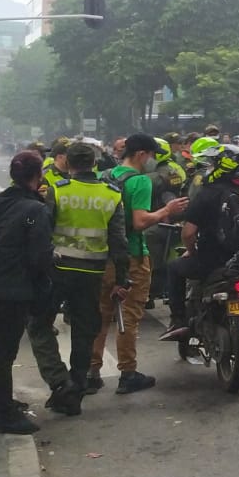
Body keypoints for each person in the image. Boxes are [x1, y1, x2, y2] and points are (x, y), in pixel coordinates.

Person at [26, 143, 129, 415]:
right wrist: (122, 279)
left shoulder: (57, 190)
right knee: (85, 331)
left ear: (68, 164)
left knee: (38, 324)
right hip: (92, 274)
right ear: (94, 163)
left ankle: (60, 381)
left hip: (58, 270)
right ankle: (78, 385)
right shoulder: (111, 194)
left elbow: (42, 232)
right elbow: (119, 241)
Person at [89, 134, 188, 394]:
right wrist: (168, 211)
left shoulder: (105, 176)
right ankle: (128, 372)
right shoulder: (140, 181)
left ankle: (91, 371)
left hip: (103, 256)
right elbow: (140, 222)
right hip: (132, 255)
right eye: (152, 155)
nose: (152, 161)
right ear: (141, 154)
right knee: (129, 317)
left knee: (101, 316)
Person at [0, 151, 53, 434]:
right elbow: (37, 255)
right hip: (7, 288)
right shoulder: (35, 211)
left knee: (1, 346)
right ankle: (3, 415)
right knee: (4, 350)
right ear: (37, 176)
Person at [161, 145, 239, 340]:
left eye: (212, 164)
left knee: (174, 268)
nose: (209, 168)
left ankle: (178, 320)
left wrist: (191, 251)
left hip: (211, 260)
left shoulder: (206, 193)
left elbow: (188, 233)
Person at [144, 138, 187, 305]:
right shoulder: (170, 170)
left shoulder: (158, 175)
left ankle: (150, 290)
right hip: (163, 219)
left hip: (157, 221)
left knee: (149, 253)